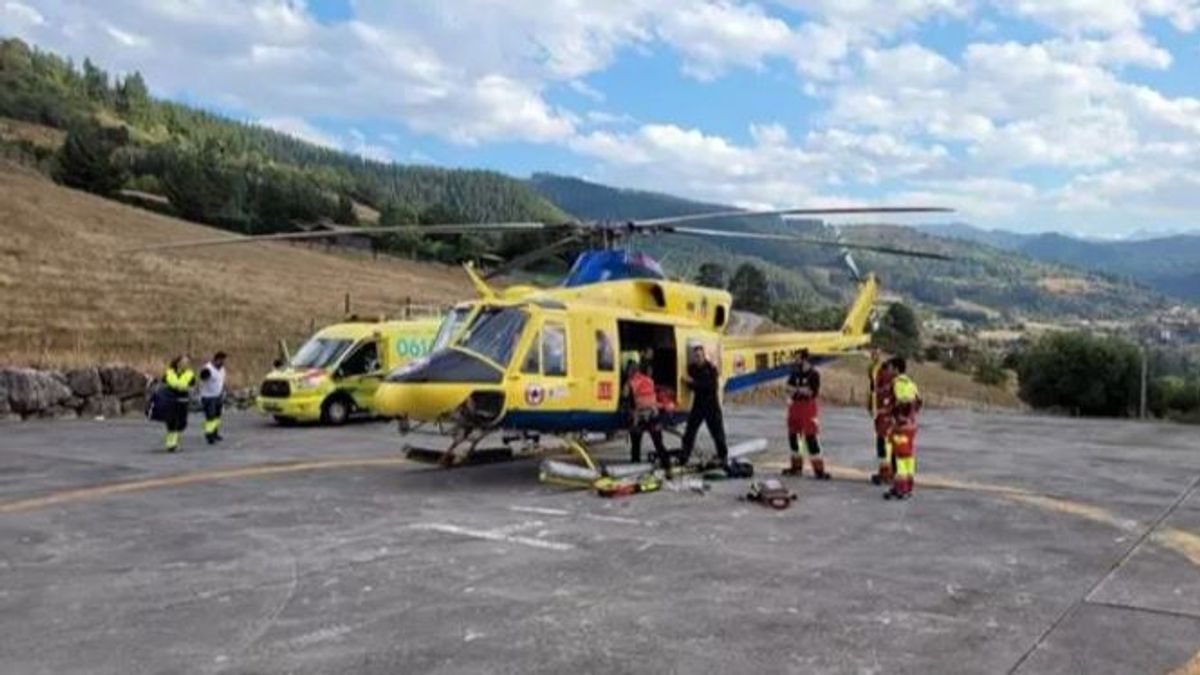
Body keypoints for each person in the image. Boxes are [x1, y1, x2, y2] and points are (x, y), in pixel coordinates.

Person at [782, 349, 830, 480]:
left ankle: (819, 469)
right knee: (794, 437)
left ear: (805, 359)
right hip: (795, 407)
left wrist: (796, 390)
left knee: (811, 438)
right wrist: (799, 390)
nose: (796, 361)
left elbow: (811, 392)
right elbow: (787, 388)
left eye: (798, 358)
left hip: (808, 408)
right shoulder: (795, 373)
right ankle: (796, 466)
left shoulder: (814, 375)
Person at [680, 344, 729, 468]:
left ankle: (723, 456)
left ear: (703, 356)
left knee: (717, 432)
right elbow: (691, 383)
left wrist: (692, 383)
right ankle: (684, 457)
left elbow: (710, 386)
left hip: (711, 405)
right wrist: (690, 383)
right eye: (696, 356)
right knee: (689, 432)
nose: (698, 358)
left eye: (700, 356)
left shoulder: (711, 369)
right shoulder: (692, 368)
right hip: (699, 405)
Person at [884, 357, 923, 500]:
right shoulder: (911, 383)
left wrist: (899, 417)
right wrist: (912, 417)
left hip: (901, 427)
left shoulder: (898, 383)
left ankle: (900, 489)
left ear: (896, 369)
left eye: (890, 368)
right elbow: (919, 402)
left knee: (899, 458)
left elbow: (903, 401)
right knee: (908, 457)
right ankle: (908, 487)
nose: (888, 370)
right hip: (911, 426)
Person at [625, 360, 668, 467]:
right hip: (653, 414)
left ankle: (635, 464)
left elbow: (630, 403)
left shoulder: (631, 383)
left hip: (640, 416)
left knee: (635, 442)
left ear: (630, 371)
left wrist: (633, 420)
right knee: (658, 442)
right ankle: (666, 463)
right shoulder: (649, 380)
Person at [868, 350, 897, 486]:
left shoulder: (893, 379)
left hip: (888, 417)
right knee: (881, 445)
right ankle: (884, 472)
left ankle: (889, 474)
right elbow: (872, 380)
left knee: (887, 446)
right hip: (880, 416)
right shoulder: (879, 375)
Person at [162, 355, 195, 453]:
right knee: (172, 422)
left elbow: (192, 385)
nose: (186, 364)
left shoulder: (190, 374)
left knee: (182, 423)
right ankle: (171, 443)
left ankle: (173, 441)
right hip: (171, 400)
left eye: (187, 362)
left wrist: (184, 388)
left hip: (183, 400)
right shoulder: (169, 372)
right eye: (184, 362)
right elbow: (164, 383)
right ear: (178, 363)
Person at [199, 351, 227, 445]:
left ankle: (215, 433)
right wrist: (204, 375)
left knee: (217, 416)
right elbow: (202, 377)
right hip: (208, 397)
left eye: (223, 361)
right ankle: (209, 435)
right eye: (221, 361)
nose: (223, 363)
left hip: (218, 396)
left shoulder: (222, 369)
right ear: (216, 360)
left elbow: (222, 381)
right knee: (210, 417)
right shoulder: (208, 368)